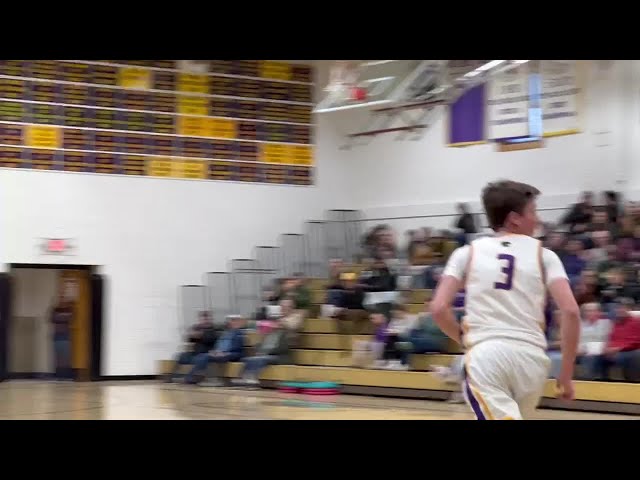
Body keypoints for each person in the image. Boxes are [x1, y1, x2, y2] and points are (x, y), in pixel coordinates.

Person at [430, 180, 580, 420]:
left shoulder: (467, 253)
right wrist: (566, 373)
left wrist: (465, 339)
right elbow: (571, 312)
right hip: (532, 360)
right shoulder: (546, 255)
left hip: (487, 356)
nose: (538, 219)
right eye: (533, 211)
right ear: (514, 219)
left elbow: (438, 308)